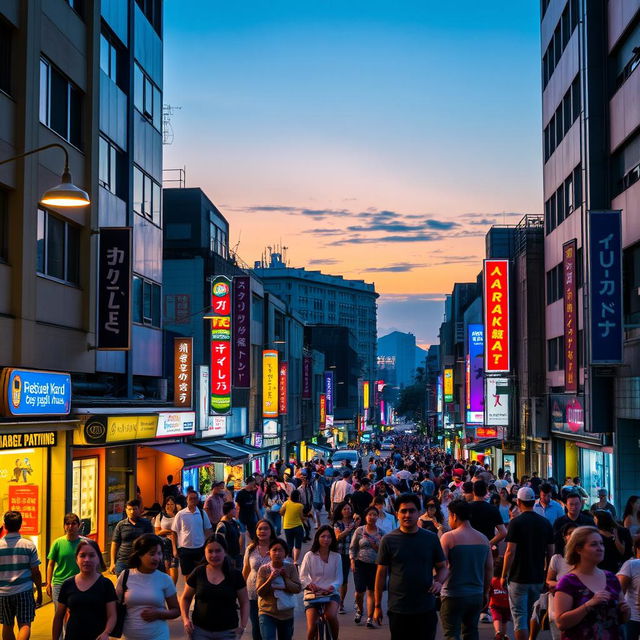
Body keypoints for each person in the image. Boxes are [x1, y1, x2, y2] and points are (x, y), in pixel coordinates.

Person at [374, 493, 448, 640]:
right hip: (398, 608)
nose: (407, 515)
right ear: (397, 514)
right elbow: (380, 574)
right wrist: (377, 606)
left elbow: (443, 566)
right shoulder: (388, 540)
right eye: (403, 511)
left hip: (425, 606)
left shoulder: (430, 538)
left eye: (412, 511)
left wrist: (439, 582)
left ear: (419, 513)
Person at [555, 526, 630, 638]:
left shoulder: (612, 578)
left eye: (601, 543)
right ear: (578, 549)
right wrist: (588, 605)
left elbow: (621, 619)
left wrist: (625, 612)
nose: (600, 548)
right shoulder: (568, 582)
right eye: (594, 544)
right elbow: (561, 623)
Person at [500, 486, 554, 640]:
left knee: (519, 617)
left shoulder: (516, 523)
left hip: (518, 576)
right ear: (533, 501)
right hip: (537, 575)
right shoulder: (545, 523)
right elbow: (551, 551)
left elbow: (510, 551)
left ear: (518, 502)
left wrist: (504, 575)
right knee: (534, 613)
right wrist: (547, 574)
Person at [439, 498, 493, 640]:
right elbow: (489, 569)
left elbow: (441, 566)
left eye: (449, 516)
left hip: (452, 594)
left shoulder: (448, 538)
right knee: (471, 632)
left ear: (454, 516)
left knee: (451, 634)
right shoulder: (483, 539)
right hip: (476, 594)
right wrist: (485, 592)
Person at [180, 534, 249, 640]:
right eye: (210, 551)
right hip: (200, 631)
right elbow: (185, 598)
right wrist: (185, 620)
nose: (214, 555)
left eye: (218, 551)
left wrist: (242, 626)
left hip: (228, 632)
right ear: (205, 552)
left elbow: (244, 602)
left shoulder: (235, 575)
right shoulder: (198, 572)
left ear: (225, 552)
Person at [114, 533, 180, 640]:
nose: (157, 558)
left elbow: (176, 611)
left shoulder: (165, 579)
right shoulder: (125, 576)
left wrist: (159, 614)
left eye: (159, 553)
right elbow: (113, 604)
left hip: (158, 635)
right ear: (140, 554)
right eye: (152, 553)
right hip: (128, 636)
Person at [52, 539, 117, 640]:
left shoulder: (106, 584)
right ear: (76, 559)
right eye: (82, 555)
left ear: (98, 558)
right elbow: (59, 616)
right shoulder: (68, 584)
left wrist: (106, 632)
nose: (87, 559)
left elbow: (112, 615)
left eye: (91, 555)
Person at [0, 511, 42, 640]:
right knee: (24, 625)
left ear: (4, 526)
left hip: (3, 593)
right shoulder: (28, 545)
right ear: (20, 525)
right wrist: (40, 591)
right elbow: (35, 572)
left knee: (7, 625)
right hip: (24, 591)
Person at [300, 526, 342, 640]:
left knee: (330, 615)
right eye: (323, 536)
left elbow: (339, 578)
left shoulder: (337, 556)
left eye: (329, 537)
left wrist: (333, 587)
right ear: (317, 538)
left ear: (332, 539)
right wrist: (309, 584)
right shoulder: (309, 555)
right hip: (313, 594)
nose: (326, 539)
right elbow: (302, 576)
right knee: (312, 626)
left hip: (331, 593)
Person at [256, 539, 301, 640]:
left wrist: (285, 578)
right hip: (267, 612)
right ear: (269, 553)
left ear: (285, 553)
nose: (277, 553)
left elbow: (297, 588)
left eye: (280, 550)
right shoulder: (263, 569)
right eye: (274, 550)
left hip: (286, 613)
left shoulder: (290, 568)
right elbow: (260, 592)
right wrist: (270, 578)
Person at [243, 520, 277, 640]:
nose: (262, 531)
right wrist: (240, 592)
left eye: (266, 528)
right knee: (256, 627)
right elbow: (246, 570)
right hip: (253, 593)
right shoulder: (250, 549)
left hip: (271, 593)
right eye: (259, 528)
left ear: (271, 531)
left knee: (269, 628)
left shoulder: (277, 548)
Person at [350, 506, 383, 627]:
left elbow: (383, 552)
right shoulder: (360, 531)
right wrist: (352, 561)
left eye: (375, 515)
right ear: (366, 516)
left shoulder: (381, 533)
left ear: (377, 517)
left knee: (371, 591)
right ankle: (359, 610)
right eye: (370, 514)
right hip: (360, 564)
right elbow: (353, 547)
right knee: (359, 591)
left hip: (375, 566)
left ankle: (369, 618)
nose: (372, 517)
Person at [546, 522, 578, 640]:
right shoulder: (557, 559)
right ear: (564, 537)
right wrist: (564, 585)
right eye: (570, 533)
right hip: (559, 604)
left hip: (579, 605)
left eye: (576, 532)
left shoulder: (585, 558)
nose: (573, 535)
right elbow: (549, 580)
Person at [171, 489, 212, 577]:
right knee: (188, 575)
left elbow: (208, 530)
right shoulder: (180, 514)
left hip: (200, 549)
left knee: (201, 574)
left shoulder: (202, 513)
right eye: (191, 498)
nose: (193, 500)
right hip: (185, 549)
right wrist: (174, 549)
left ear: (197, 500)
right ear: (187, 500)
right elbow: (174, 532)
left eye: (195, 498)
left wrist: (208, 547)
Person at [45, 512, 83, 606]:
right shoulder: (57, 543)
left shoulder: (84, 544)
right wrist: (48, 583)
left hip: (78, 582)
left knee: (75, 612)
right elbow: (50, 564)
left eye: (73, 524)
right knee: (59, 613)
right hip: (59, 583)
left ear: (79, 525)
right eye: (67, 524)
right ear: (64, 526)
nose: (70, 526)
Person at [110, 499, 154, 576]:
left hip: (140, 560)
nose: (132, 512)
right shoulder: (121, 525)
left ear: (139, 509)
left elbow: (150, 542)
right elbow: (115, 543)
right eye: (129, 509)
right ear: (126, 510)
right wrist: (112, 562)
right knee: (122, 585)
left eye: (134, 509)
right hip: (123, 560)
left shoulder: (146, 523)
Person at [333, 501, 360, 613]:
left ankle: (358, 601)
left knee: (358, 578)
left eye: (349, 509)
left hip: (355, 553)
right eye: (344, 509)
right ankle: (341, 602)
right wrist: (349, 529)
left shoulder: (355, 522)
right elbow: (338, 536)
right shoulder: (337, 523)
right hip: (342, 553)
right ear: (340, 511)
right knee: (343, 580)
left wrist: (357, 521)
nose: (347, 511)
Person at [468, 480, 506, 551]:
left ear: (473, 491)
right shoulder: (493, 509)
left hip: (470, 546)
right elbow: (503, 532)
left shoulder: (467, 507)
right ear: (486, 492)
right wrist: (489, 543)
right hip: (488, 547)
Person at [617, 537, 640, 640]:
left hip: (632, 618)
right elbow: (620, 592)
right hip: (632, 618)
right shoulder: (632, 565)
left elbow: (619, 592)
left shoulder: (631, 564)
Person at [153, 496, 180, 584]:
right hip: (164, 545)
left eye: (172, 504)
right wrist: (167, 531)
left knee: (174, 567)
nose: (170, 506)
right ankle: (166, 590)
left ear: (175, 505)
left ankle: (172, 589)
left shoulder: (178, 515)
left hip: (176, 544)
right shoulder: (160, 515)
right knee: (166, 568)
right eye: (168, 504)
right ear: (164, 505)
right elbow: (157, 532)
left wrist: (173, 533)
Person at [216, 501, 244, 571]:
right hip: (228, 558)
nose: (236, 510)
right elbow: (219, 542)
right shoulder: (222, 525)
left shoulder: (233, 522)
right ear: (229, 511)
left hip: (236, 555)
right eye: (234, 508)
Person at [280, 490, 305, 566]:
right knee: (298, 544)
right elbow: (301, 517)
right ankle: (295, 561)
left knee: (289, 543)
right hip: (298, 527)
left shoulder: (286, 503)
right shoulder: (300, 506)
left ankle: (289, 556)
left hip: (287, 527)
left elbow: (281, 512)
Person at [489, 557, 511, 640]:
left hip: (495, 604)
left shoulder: (493, 580)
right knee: (505, 621)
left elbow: (489, 592)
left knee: (496, 618)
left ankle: (498, 632)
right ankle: (504, 635)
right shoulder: (508, 581)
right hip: (507, 604)